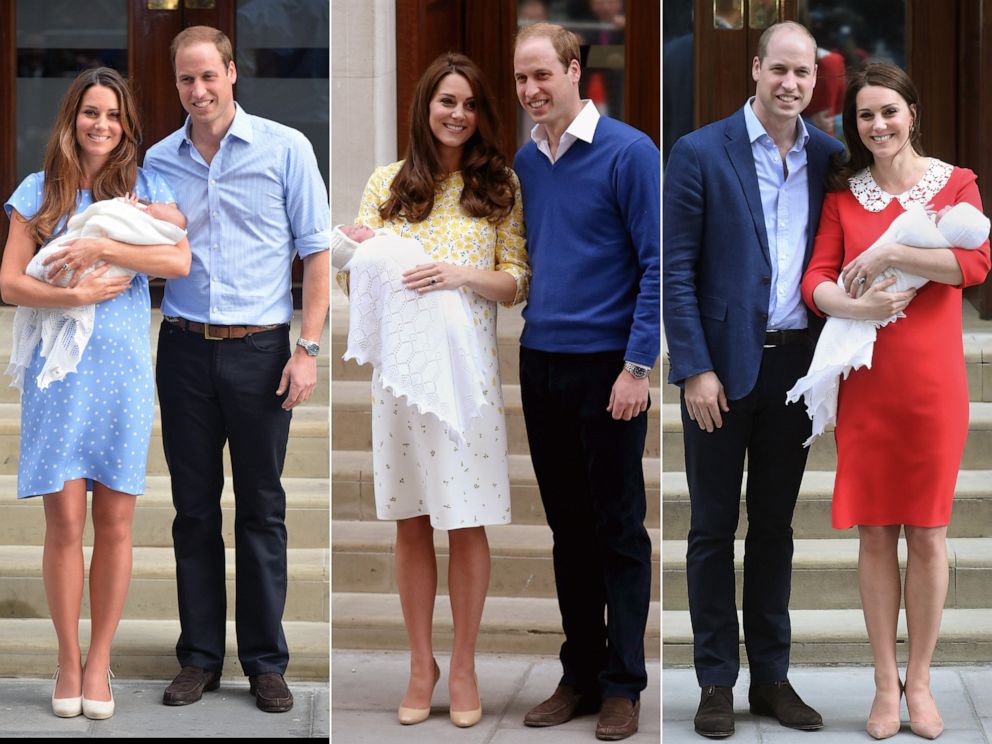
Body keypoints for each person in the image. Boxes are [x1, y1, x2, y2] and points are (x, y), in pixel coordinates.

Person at [338, 51, 529, 729]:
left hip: (469, 379)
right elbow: (351, 281)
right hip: (402, 380)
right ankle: (421, 665)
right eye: (446, 101)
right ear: (425, 106)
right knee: (413, 520)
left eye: (470, 104)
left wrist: (455, 273)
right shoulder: (386, 183)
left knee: (467, 520)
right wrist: (364, 252)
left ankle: (466, 661)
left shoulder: (499, 184)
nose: (457, 114)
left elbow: (517, 282)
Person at [663, 21, 844, 738]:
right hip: (720, 373)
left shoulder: (830, 156)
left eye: (803, 73)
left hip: (795, 367)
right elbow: (676, 271)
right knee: (711, 527)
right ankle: (715, 680)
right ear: (756, 68)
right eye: (780, 70)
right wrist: (695, 368)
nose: (791, 84)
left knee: (774, 528)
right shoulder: (700, 152)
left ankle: (771, 677)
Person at [801, 63, 991, 741]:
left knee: (930, 533)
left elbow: (973, 265)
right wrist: (859, 302)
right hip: (868, 384)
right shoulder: (841, 198)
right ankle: (885, 684)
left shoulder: (954, 183)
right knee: (877, 532)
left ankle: (923, 684)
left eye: (888, 112)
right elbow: (815, 281)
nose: (877, 126)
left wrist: (892, 253)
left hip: (932, 385)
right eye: (864, 117)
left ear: (912, 111)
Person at [143, 25, 329, 713]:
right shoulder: (159, 161)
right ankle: (198, 657)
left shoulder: (286, 148)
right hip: (185, 349)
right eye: (185, 80)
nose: (198, 90)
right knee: (193, 512)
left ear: (232, 72)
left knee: (261, 510)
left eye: (208, 76)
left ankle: (264, 662)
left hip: (260, 351)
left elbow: (315, 255)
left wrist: (306, 350)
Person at [0, 67, 191, 719]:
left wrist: (107, 245)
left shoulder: (147, 190)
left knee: (114, 522)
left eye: (112, 114)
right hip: (58, 377)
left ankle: (99, 662)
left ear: (125, 124)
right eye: (90, 112)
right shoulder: (40, 191)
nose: (101, 124)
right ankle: (65, 659)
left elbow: (179, 261)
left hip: (125, 373)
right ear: (71, 118)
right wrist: (72, 294)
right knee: (65, 523)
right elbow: (9, 283)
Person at [513, 22, 659, 741]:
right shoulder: (526, 160)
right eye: (521, 79)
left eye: (543, 74)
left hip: (610, 368)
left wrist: (638, 366)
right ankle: (579, 673)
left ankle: (623, 683)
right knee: (567, 529)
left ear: (575, 70)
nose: (531, 90)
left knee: (619, 528)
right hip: (541, 361)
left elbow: (659, 265)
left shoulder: (630, 153)